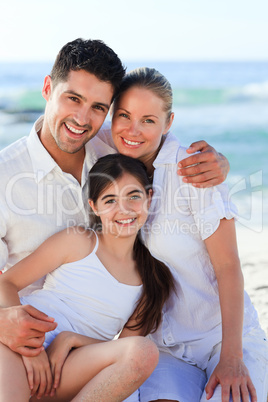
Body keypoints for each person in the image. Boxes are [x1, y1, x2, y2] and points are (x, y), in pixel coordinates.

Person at [0, 38, 229, 357]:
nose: (82, 119)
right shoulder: (5, 176)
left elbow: (154, 137)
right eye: (73, 98)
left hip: (93, 347)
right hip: (30, 336)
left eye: (98, 108)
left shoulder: (109, 149)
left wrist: (216, 161)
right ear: (47, 88)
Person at [93, 67, 268, 402]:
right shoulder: (109, 151)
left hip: (225, 338)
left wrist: (232, 358)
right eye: (124, 116)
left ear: (168, 123)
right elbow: (69, 129)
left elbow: (228, 267)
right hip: (165, 345)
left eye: (148, 120)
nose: (133, 130)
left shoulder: (193, 170)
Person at [0, 153, 177, 401]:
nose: (124, 209)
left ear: (149, 198)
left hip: (68, 368)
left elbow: (122, 351)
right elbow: (6, 282)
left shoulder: (152, 281)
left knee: (144, 351)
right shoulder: (79, 240)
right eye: (110, 200)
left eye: (133, 196)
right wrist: (30, 347)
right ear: (94, 206)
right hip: (18, 344)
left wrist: (71, 339)